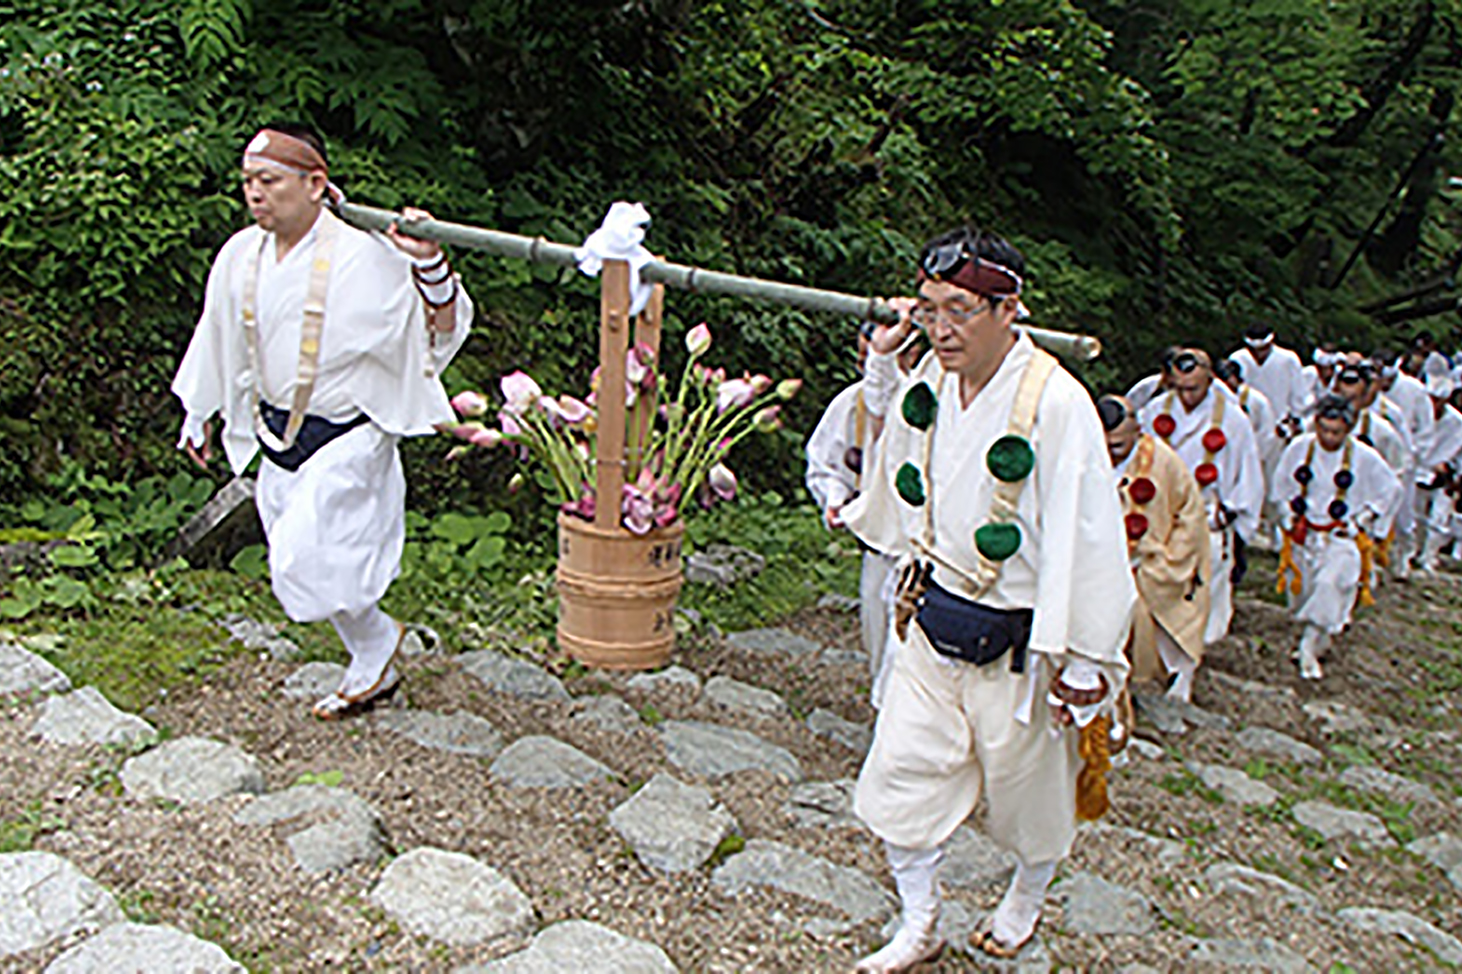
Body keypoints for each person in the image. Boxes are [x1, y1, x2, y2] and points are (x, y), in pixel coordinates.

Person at [841, 227, 1134, 970]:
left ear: (1011, 310)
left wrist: (1089, 659)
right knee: (900, 775)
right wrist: (881, 365)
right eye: (931, 310)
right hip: (931, 624)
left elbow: (1093, 532)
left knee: (1029, 796)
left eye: (962, 310)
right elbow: (891, 452)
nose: (942, 329)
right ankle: (920, 922)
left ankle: (1026, 897)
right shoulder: (931, 383)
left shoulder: (1059, 403)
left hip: (1020, 644)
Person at [172, 124, 473, 719]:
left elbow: (430, 332)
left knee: (307, 558)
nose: (256, 194)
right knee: (303, 560)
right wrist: (198, 411)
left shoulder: (364, 255)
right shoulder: (239, 253)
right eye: (248, 182)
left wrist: (430, 266)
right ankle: (375, 650)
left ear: (315, 184)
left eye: (270, 181)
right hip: (276, 430)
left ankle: (376, 646)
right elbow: (217, 335)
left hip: (347, 432)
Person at [805, 322, 922, 707]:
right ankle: (884, 720)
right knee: (877, 637)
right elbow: (824, 463)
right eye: (864, 357)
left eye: (881, 354)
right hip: (879, 544)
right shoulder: (851, 403)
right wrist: (836, 499)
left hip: (927, 551)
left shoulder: (938, 402)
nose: (869, 365)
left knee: (908, 651)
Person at [1139, 349, 1264, 644]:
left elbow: (1248, 471)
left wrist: (1234, 510)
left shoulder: (1233, 419)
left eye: (1193, 388)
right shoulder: (1155, 411)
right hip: (1161, 513)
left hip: (1208, 514)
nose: (1186, 396)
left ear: (1209, 379)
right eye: (1180, 388)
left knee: (1203, 591)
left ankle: (1190, 659)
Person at [1272, 396, 1399, 678]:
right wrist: (1287, 516)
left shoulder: (1364, 456)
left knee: (1329, 584)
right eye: (1324, 430)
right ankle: (1320, 639)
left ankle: (1307, 649)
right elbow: (1280, 484)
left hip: (1341, 537)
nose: (1329, 437)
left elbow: (1391, 490)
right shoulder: (1300, 448)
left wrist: (1363, 519)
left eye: (1336, 432)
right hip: (1305, 534)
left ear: (1348, 429)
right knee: (1304, 594)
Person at [1101, 395, 1210, 702]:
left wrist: (1166, 560)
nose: (1110, 452)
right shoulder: (1086, 455)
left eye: (1118, 447)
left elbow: (1189, 515)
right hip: (1102, 560)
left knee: (1162, 617)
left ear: (1137, 429)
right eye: (1106, 445)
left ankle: (1177, 679)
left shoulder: (1164, 462)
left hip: (1150, 560)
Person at [1415, 373, 1462, 573]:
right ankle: (1413, 554)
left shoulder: (1457, 422)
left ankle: (1429, 558)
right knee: (1415, 517)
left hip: (1445, 475)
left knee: (1439, 520)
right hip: (1417, 470)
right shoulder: (1417, 414)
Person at [1230, 323, 1309, 442]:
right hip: (1247, 425)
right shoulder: (1237, 359)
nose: (1259, 353)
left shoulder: (1289, 359)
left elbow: (1298, 395)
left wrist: (1295, 420)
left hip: (1280, 426)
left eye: (1263, 349)